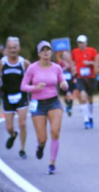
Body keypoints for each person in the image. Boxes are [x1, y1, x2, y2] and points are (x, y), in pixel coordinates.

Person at [21, 41, 68, 175]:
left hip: (54, 102)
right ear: (39, 53)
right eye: (43, 50)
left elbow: (62, 81)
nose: (46, 52)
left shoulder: (57, 67)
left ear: (51, 52)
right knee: (42, 138)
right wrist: (34, 88)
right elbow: (23, 86)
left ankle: (52, 163)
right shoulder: (32, 68)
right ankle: (40, 146)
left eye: (48, 49)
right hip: (38, 104)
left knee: (55, 131)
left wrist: (64, 84)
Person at [0, 37, 30, 159]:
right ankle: (13, 135)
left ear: (19, 48)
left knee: (22, 123)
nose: (12, 50)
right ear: (6, 49)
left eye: (14, 47)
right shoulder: (1, 63)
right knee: (9, 127)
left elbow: (33, 76)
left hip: (21, 95)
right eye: (10, 48)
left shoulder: (24, 63)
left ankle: (22, 149)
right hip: (7, 96)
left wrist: (31, 88)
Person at [71, 35, 98, 129]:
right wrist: (73, 70)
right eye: (79, 42)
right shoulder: (74, 51)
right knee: (82, 96)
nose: (81, 44)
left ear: (86, 43)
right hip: (80, 77)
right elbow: (73, 63)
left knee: (90, 98)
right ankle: (86, 119)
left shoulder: (92, 51)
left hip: (90, 77)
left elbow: (97, 63)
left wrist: (90, 63)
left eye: (82, 42)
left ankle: (90, 116)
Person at [57, 50, 76, 116]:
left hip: (70, 81)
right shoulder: (60, 63)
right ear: (63, 56)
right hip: (64, 81)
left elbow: (74, 70)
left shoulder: (71, 62)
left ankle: (69, 108)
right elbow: (58, 71)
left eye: (67, 55)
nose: (66, 56)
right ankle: (68, 107)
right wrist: (65, 68)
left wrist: (74, 71)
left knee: (70, 95)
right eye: (65, 55)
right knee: (66, 95)